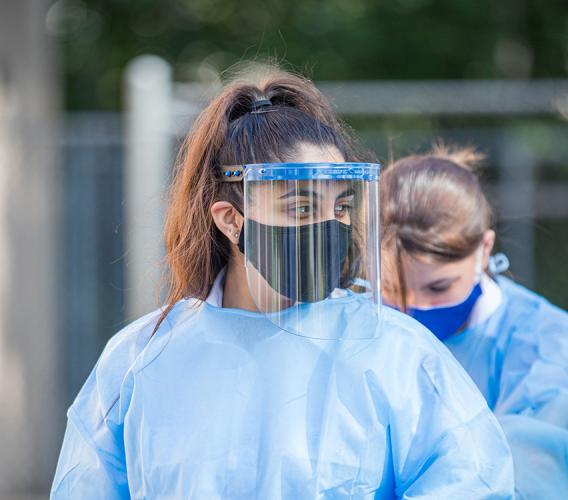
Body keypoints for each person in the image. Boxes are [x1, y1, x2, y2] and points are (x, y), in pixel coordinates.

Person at [51, 69, 514, 499]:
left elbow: (472, 482)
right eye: (300, 207)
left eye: (340, 206)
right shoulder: (141, 360)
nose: (327, 226)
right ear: (231, 220)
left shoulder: (394, 352)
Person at [381, 144, 568, 499]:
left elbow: (521, 477)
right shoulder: (354, 325)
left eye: (439, 287)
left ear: (484, 250)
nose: (415, 309)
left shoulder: (548, 349)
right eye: (390, 288)